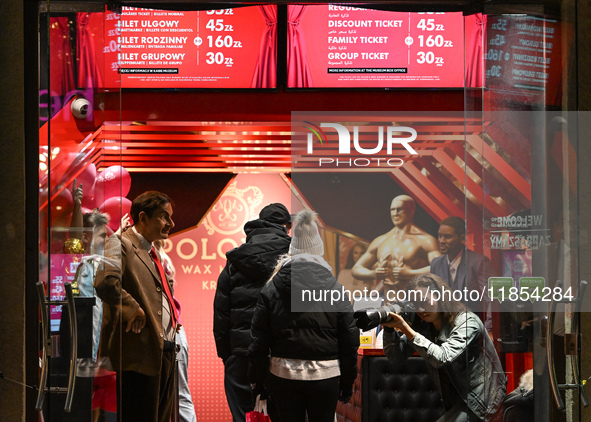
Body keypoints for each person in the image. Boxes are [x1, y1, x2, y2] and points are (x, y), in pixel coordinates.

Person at [248, 210, 360, 422]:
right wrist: (347, 382)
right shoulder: (336, 289)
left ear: (293, 248)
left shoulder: (272, 288)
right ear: (319, 249)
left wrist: (258, 381)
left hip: (283, 375)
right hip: (326, 376)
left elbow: (259, 341)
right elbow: (349, 340)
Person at [94, 191, 177, 422]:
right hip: (139, 354)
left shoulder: (152, 252)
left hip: (162, 351)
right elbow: (105, 280)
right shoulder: (119, 242)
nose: (171, 223)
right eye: (164, 216)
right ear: (143, 217)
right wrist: (133, 308)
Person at [382, 273, 506, 422]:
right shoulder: (427, 327)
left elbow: (443, 357)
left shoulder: (466, 322)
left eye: (425, 301)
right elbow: (396, 356)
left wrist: (406, 328)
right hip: (459, 402)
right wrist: (388, 328)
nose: (421, 309)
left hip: (483, 401)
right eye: (416, 304)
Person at [214, 203, 292, 422]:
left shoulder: (234, 262)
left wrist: (228, 357)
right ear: (286, 226)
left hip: (242, 354)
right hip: (284, 354)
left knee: (243, 416)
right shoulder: (297, 258)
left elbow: (221, 314)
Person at [352, 195, 440, 293]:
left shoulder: (425, 240)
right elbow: (356, 269)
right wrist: (374, 274)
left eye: (399, 210)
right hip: (389, 301)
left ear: (411, 211)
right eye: (392, 210)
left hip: (416, 301)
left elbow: (441, 267)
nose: (395, 214)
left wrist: (411, 273)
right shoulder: (381, 240)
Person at [154, 239, 197, 422]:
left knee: (178, 394)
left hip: (170, 329)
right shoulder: (158, 257)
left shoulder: (157, 259)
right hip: (169, 329)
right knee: (175, 394)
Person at [430, 216, 493, 333]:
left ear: (462, 238)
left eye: (447, 237)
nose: (441, 241)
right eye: (439, 236)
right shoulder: (436, 263)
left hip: (473, 331)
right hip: (444, 332)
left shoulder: (478, 262)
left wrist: (489, 329)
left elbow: (492, 299)